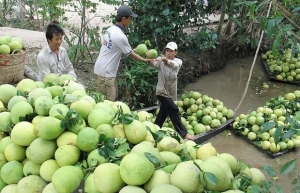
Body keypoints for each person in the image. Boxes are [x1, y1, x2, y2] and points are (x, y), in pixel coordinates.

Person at [94, 5, 153, 101]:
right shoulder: (120, 36)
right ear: (124, 19)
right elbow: (130, 54)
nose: (131, 21)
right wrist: (144, 60)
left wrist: (134, 51)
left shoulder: (110, 30)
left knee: (111, 97)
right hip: (106, 72)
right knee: (108, 102)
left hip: (102, 68)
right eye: (130, 19)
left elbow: (116, 49)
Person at [148, 42, 194, 140]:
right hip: (161, 91)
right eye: (167, 51)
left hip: (171, 92)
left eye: (171, 51)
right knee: (174, 110)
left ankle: (155, 129)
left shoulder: (178, 62)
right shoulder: (160, 61)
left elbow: (174, 65)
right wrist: (148, 57)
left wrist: (166, 61)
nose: (168, 53)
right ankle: (184, 133)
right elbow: (152, 63)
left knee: (164, 112)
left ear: (175, 52)